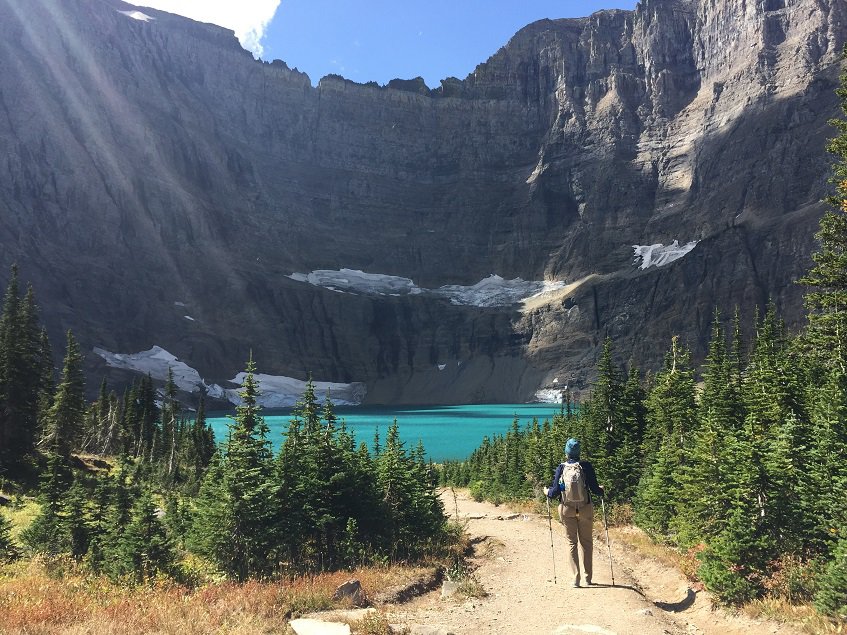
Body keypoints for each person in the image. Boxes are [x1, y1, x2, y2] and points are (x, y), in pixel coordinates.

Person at [545, 438, 604, 587]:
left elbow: (555, 492)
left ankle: (575, 579)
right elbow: (595, 490)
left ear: (567, 452)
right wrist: (601, 489)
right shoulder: (586, 467)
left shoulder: (562, 468)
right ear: (579, 452)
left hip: (567, 509)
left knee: (572, 543)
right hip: (585, 509)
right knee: (587, 543)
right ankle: (588, 578)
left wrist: (546, 491)